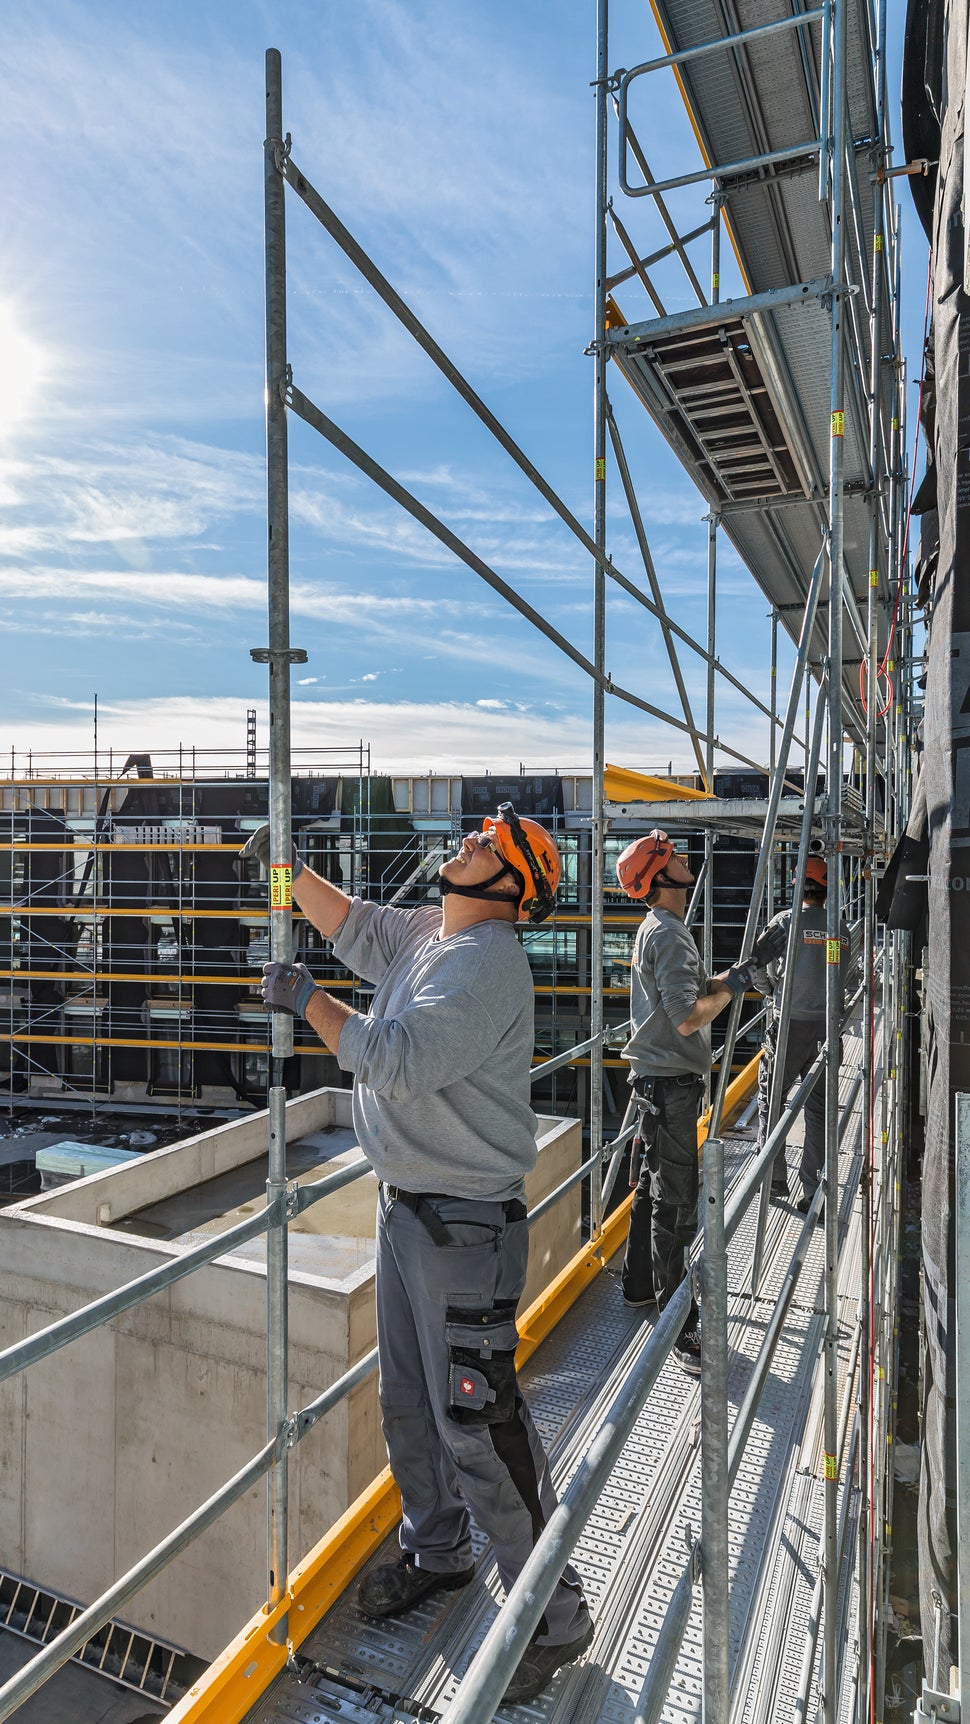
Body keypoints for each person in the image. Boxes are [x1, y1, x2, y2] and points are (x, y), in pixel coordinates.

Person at [243, 805, 593, 1705]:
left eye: (488, 844)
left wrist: (305, 1001)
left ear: (513, 888)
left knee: (478, 1419)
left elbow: (390, 1059)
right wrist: (281, 872)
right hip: (410, 1214)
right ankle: (438, 1550)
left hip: (464, 1228)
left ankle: (554, 1615)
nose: (468, 842)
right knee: (411, 1406)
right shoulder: (435, 930)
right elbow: (352, 925)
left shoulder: (485, 964)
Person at [614, 829, 746, 1374]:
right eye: (675, 858)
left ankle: (639, 1284)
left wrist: (729, 977)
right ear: (661, 877)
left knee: (651, 1184)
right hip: (669, 1084)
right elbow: (688, 1016)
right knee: (676, 1199)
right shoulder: (668, 934)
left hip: (657, 1080)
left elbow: (688, 996)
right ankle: (679, 1321)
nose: (687, 861)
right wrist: (732, 989)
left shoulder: (661, 929)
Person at [751, 854, 851, 1211]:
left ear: (798, 887)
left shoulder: (784, 922)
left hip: (789, 1025)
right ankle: (813, 1193)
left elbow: (757, 963)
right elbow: (841, 977)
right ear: (826, 889)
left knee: (772, 1100)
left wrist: (770, 990)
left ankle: (773, 1177)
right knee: (819, 1110)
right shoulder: (837, 929)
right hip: (825, 1027)